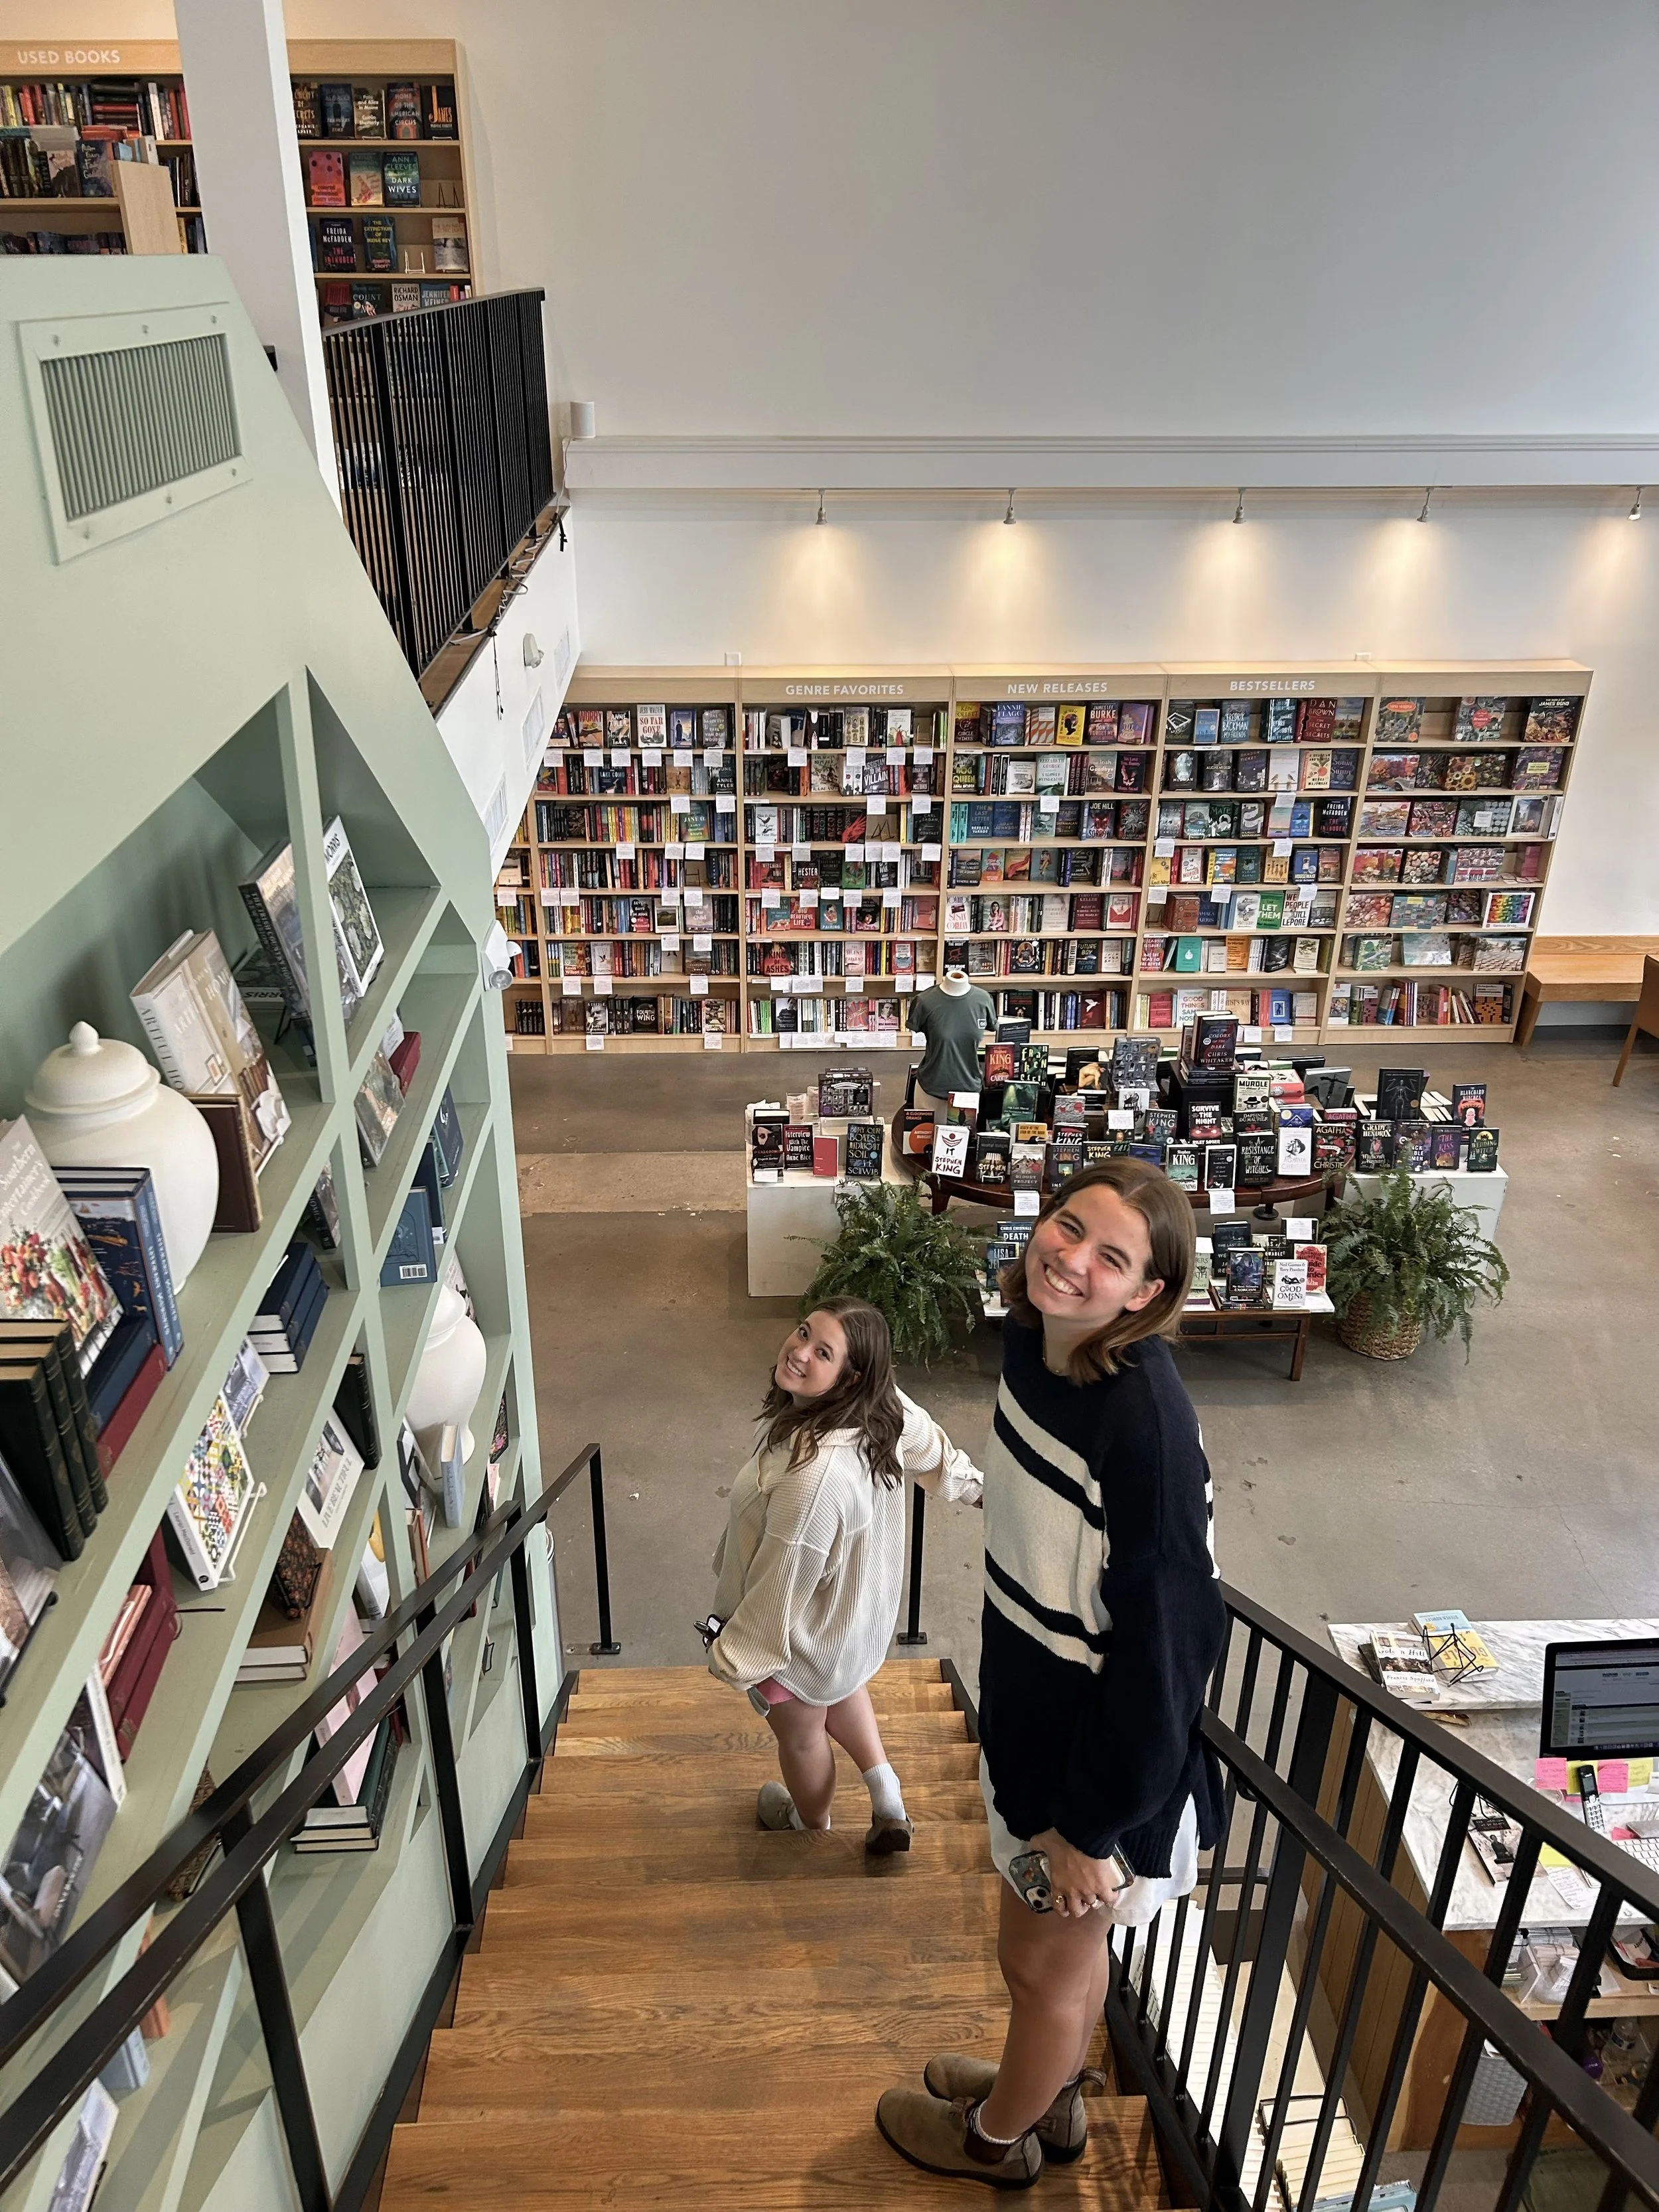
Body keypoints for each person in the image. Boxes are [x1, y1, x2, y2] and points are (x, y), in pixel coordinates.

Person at [875, 1159, 1226, 2187]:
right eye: (1068, 1227)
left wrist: (1088, 1829)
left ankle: (994, 2139)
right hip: (1042, 1735)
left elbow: (1169, 1653)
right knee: (1057, 1973)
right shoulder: (1043, 1344)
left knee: (1036, 1966)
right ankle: (1052, 2095)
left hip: (1090, 1783)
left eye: (1110, 1258)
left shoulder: (1143, 1430)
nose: (1069, 1259)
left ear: (1147, 1294)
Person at [706, 1295, 983, 1852]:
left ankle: (810, 1823)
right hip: (852, 1622)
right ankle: (888, 1797)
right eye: (805, 1332)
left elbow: (781, 1583)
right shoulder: (884, 1409)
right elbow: (933, 1451)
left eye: (823, 1351)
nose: (800, 1351)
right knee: (844, 1686)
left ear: (850, 1375)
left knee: (804, 1737)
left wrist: (735, 1654)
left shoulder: (813, 1479)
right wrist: (982, 1491)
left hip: (800, 1639)